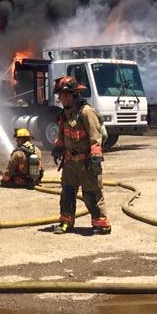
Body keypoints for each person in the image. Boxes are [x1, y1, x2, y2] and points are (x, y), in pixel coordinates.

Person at [50, 76, 112, 235]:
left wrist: (96, 160)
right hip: (70, 163)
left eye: (61, 95)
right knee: (67, 194)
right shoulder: (65, 114)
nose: (59, 98)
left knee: (91, 194)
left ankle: (102, 225)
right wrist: (58, 148)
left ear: (70, 94)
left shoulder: (86, 112)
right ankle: (65, 223)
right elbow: (62, 135)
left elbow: (95, 138)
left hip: (86, 163)